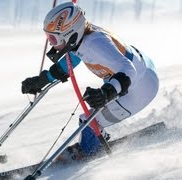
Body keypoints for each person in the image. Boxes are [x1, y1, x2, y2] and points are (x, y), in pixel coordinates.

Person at [21, 2, 159, 162]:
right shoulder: (83, 38)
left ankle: (89, 153)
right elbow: (72, 59)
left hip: (141, 88)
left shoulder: (94, 44)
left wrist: (106, 93)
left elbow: (128, 70)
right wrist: (43, 79)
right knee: (91, 115)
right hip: (142, 70)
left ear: (69, 33)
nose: (51, 44)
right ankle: (96, 139)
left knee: (89, 122)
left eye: (53, 38)